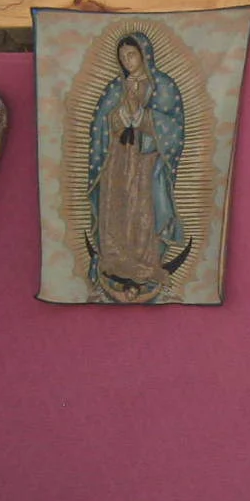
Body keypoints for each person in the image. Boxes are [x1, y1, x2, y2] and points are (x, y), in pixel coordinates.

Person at [85, 30, 189, 300]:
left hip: (147, 161)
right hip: (117, 159)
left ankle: (145, 265)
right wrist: (117, 117)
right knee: (117, 206)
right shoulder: (115, 88)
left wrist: (144, 117)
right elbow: (99, 125)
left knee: (143, 208)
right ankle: (114, 261)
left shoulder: (163, 86)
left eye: (132, 55)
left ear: (144, 55)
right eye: (123, 57)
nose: (128, 61)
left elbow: (175, 128)